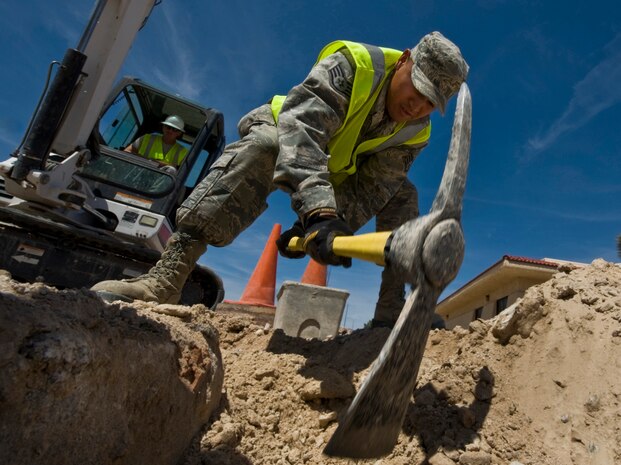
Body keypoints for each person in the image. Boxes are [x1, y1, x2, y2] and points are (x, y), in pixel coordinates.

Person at [92, 32, 469, 328]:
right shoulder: (356, 65)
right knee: (266, 144)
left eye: (430, 102)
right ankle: (165, 279)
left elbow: (372, 188)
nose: (417, 107)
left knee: (402, 194)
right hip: (284, 129)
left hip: (333, 173)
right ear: (404, 59)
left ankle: (390, 311)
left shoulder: (416, 132)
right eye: (417, 88)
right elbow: (303, 130)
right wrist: (318, 212)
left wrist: (319, 234)